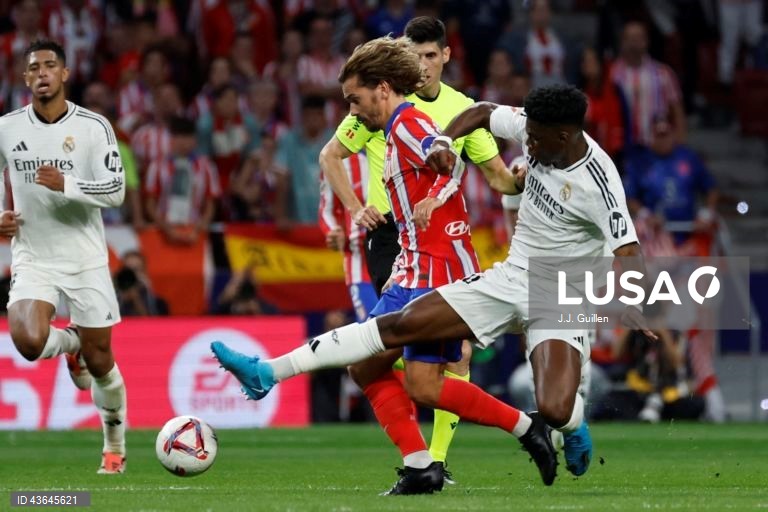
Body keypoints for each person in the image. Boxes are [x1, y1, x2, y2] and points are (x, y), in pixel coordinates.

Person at [214, 83, 659, 480]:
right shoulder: (534, 126)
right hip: (509, 276)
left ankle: (571, 422)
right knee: (400, 325)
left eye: (537, 140)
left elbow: (628, 250)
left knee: (556, 408)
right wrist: (448, 137)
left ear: (564, 136)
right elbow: (483, 110)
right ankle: (269, 371)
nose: (528, 145)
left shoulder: (600, 184)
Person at [213, 36, 557, 494]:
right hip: (413, 267)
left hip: (436, 273)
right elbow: (436, 166)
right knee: (396, 377)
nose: (353, 112)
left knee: (380, 362)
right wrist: (436, 189)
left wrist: (437, 174)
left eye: (355, 101)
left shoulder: (407, 124)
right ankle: (434, 462)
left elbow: (441, 154)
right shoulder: (393, 127)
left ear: (381, 88)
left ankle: (267, 373)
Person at [318, 17, 521, 484]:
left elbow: (496, 177)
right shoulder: (372, 104)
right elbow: (330, 156)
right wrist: (356, 208)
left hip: (439, 237)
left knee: (447, 361)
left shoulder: (461, 109)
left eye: (430, 55)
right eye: (414, 54)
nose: (422, 64)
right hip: (392, 237)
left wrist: (520, 178)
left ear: (445, 57)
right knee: (390, 359)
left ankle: (432, 460)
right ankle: (423, 458)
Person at [0, 40, 127, 473]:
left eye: (50, 65)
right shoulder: (8, 128)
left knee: (102, 361)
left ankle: (114, 446)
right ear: (25, 78)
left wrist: (67, 184)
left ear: (65, 74)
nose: (42, 73)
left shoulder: (94, 127)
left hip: (85, 258)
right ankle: (69, 345)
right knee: (29, 342)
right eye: (33, 67)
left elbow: (116, 190)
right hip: (33, 255)